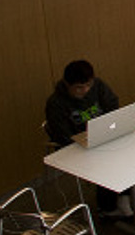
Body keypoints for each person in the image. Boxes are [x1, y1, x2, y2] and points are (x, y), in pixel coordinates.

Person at [44, 60, 128, 216]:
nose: (85, 90)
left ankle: (126, 195)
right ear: (67, 84)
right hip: (76, 147)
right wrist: (89, 139)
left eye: (88, 85)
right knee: (109, 159)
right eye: (79, 88)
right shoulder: (56, 103)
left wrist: (109, 127)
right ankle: (108, 206)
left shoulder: (98, 86)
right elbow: (63, 136)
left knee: (130, 149)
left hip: (103, 137)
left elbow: (113, 106)